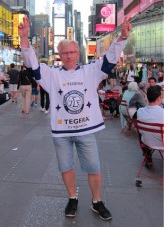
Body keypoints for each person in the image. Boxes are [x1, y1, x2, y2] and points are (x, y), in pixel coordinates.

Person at [18, 15, 132, 221]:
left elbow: (109, 60)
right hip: (61, 132)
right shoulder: (51, 75)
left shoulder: (91, 71)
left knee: (94, 168)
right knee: (66, 167)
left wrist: (122, 38)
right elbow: (32, 64)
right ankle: (72, 197)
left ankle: (97, 201)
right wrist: (24, 40)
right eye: (65, 53)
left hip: (86, 130)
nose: (69, 56)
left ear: (78, 52)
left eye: (72, 52)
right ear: (59, 55)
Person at [137, 85, 164, 167]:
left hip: (146, 142)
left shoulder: (140, 111)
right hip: (161, 143)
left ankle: (148, 157)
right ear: (159, 98)